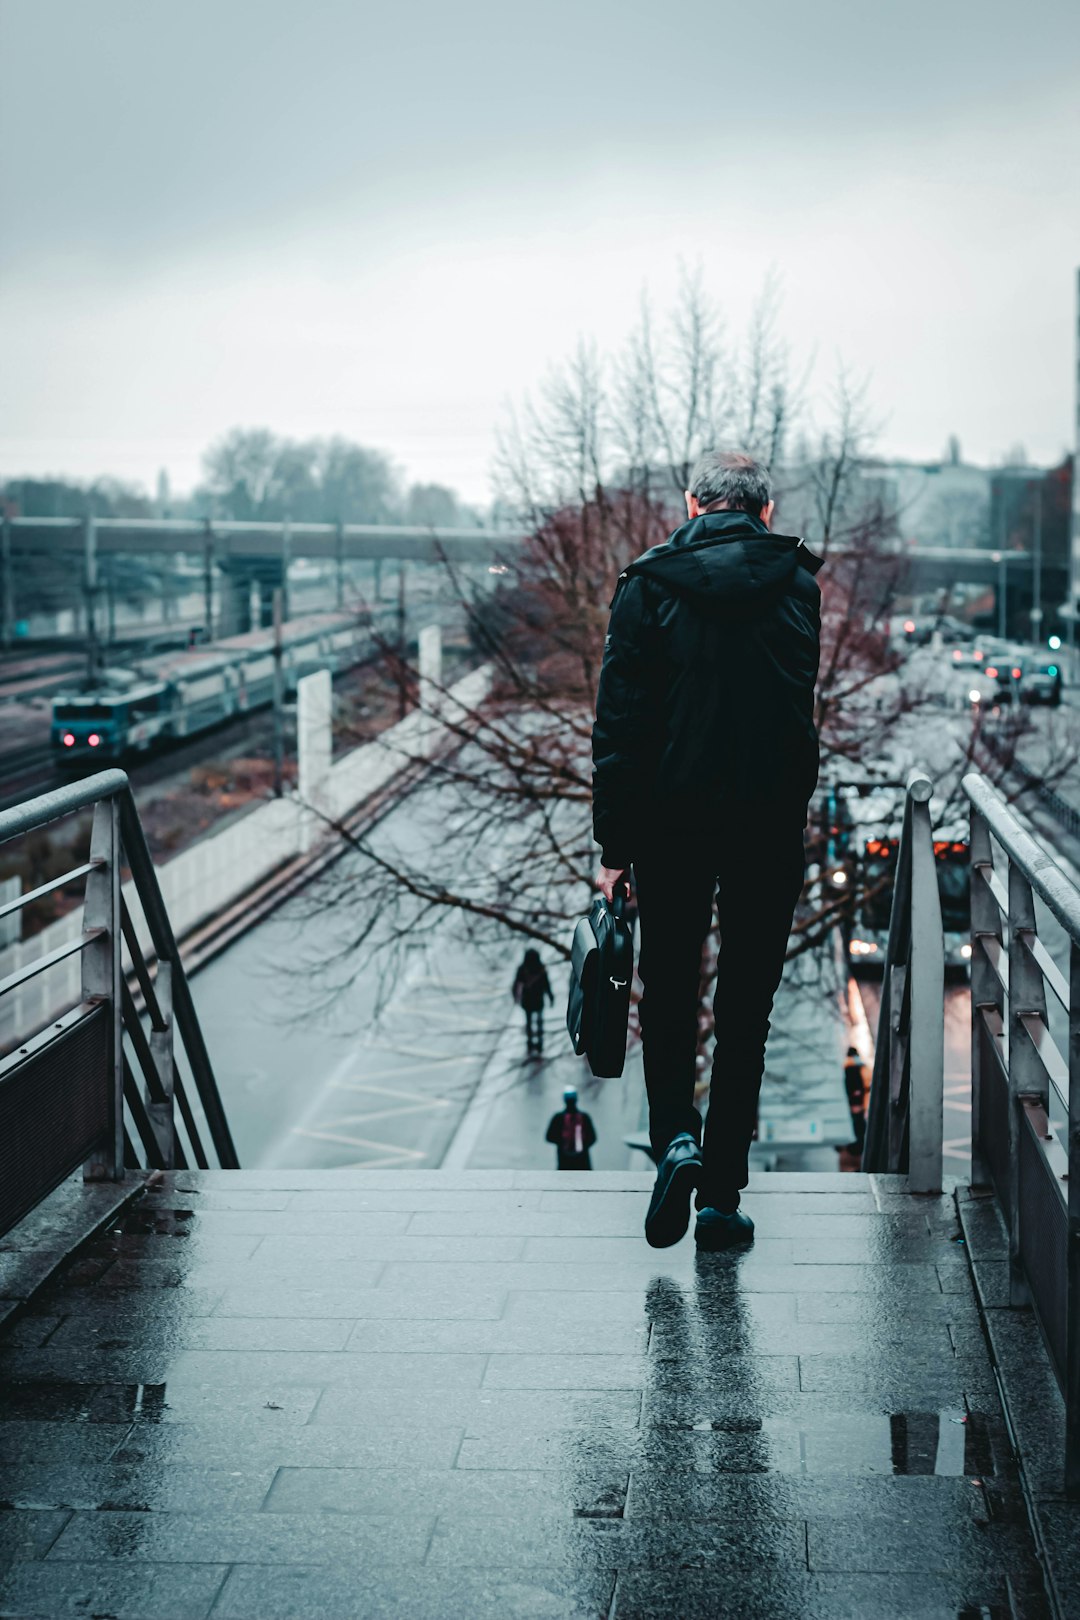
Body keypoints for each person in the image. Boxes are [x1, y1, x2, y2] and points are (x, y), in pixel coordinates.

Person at [592, 450, 822, 1251]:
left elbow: (618, 727)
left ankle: (675, 1144)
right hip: (765, 827)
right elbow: (800, 716)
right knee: (745, 1012)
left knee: (668, 995)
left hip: (670, 824)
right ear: (765, 510)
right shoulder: (798, 583)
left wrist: (614, 848)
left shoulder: (647, 585)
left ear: (692, 505)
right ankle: (721, 1198)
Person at [512, 948, 554, 1056]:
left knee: (529, 1023)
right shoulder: (541, 969)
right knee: (539, 1023)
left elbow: (516, 984)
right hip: (538, 1000)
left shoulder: (522, 969)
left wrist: (515, 997)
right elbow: (547, 985)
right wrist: (550, 997)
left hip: (527, 1000)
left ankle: (530, 1044)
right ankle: (539, 1044)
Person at [545, 1085, 597, 1170]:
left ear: (564, 1100)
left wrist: (563, 1142)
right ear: (576, 1099)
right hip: (583, 1161)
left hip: (564, 1161)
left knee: (565, 1182)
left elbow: (549, 1137)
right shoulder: (585, 1117)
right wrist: (581, 1146)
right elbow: (593, 1138)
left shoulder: (558, 1118)